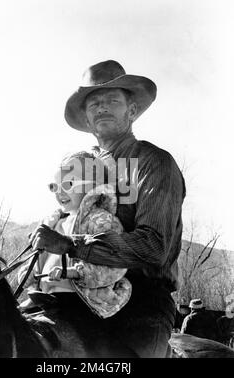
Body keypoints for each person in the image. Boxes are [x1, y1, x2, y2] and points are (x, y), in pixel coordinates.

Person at [29, 60, 186, 357]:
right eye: (94, 104)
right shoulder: (77, 166)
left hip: (142, 299)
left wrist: (70, 245)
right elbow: (64, 217)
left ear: (132, 110)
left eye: (112, 100)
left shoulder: (155, 163)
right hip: (73, 293)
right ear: (87, 120)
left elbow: (153, 246)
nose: (102, 107)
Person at [18, 151, 132, 320]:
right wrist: (29, 274)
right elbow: (37, 260)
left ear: (94, 185)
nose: (59, 192)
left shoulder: (101, 220)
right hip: (45, 299)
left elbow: (115, 264)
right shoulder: (53, 223)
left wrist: (73, 272)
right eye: (54, 186)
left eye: (69, 184)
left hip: (81, 301)